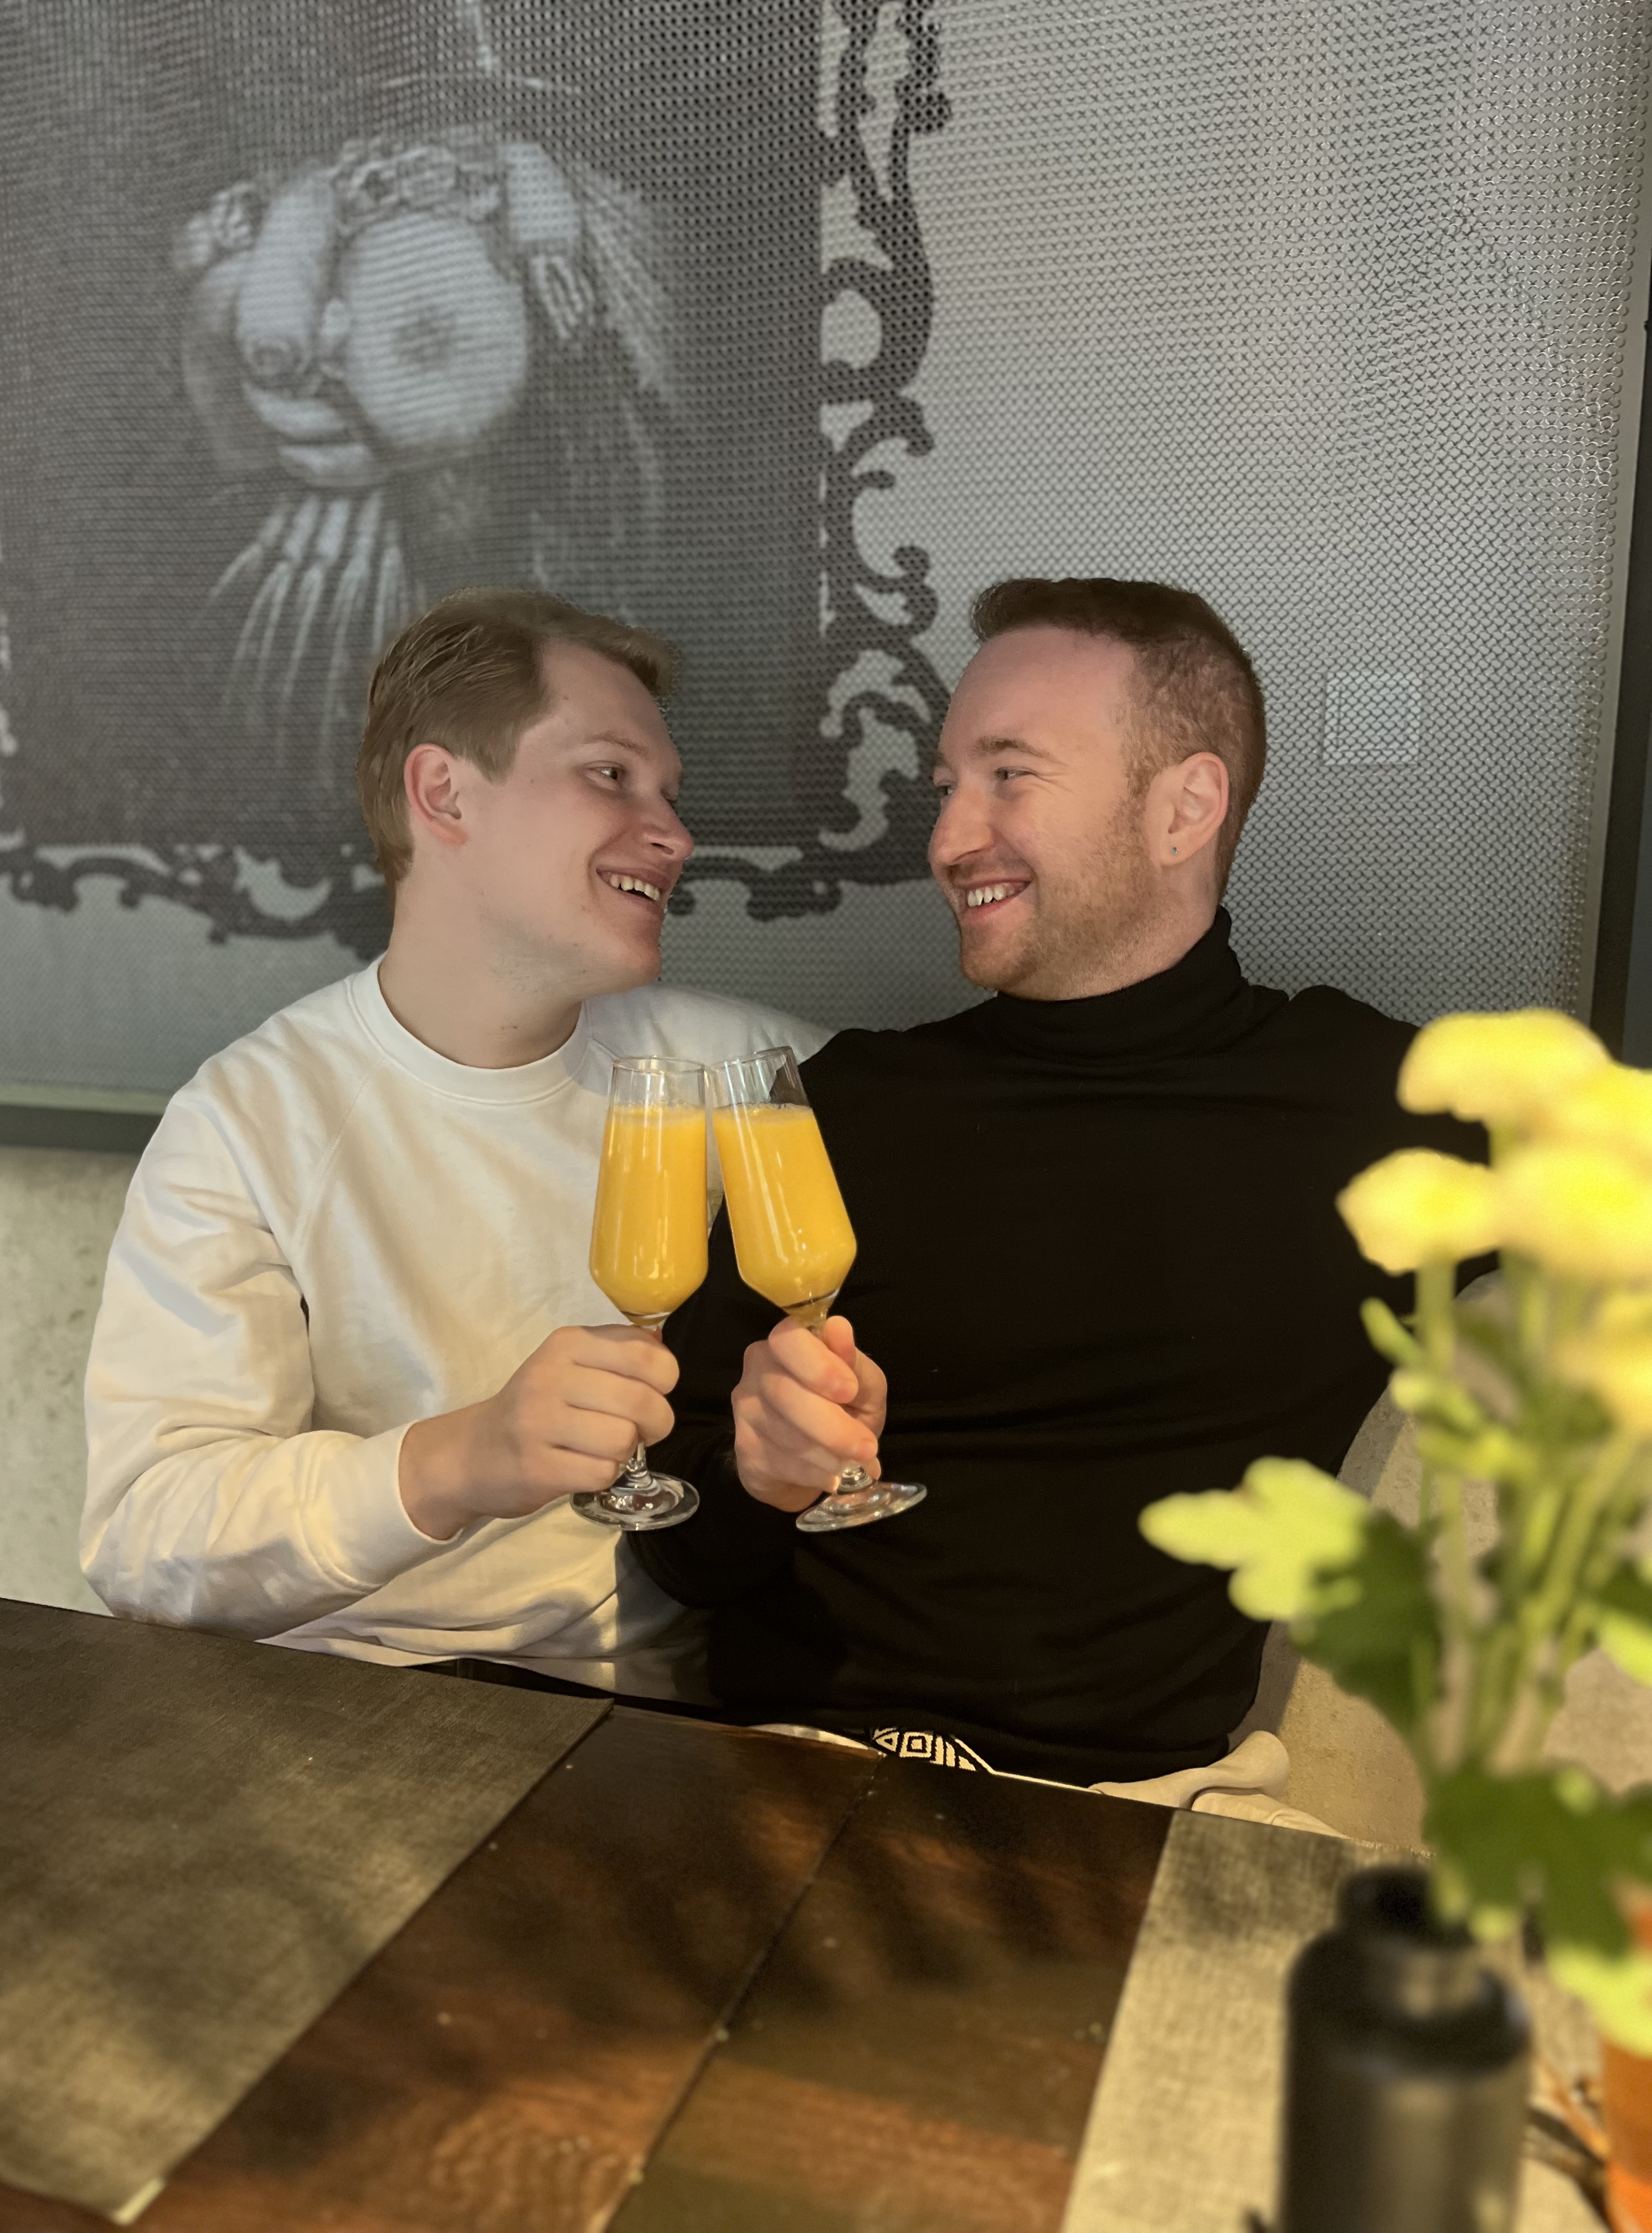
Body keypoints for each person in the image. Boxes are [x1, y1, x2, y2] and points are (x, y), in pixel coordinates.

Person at [631, 576, 1485, 1784]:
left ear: (1186, 808)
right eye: (949, 786)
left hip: (1138, 1806)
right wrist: (755, 1481)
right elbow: (678, 1545)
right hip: (800, 1765)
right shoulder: (848, 1103)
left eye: (1010, 776)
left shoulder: (1393, 1109)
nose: (946, 840)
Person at [82, 587, 822, 1696]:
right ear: (444, 793)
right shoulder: (248, 1118)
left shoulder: (754, 1076)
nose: (675, 835)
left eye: (669, 794)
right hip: (337, 1694)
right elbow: (145, 1541)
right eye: (610, 775)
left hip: (640, 1715)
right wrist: (458, 1461)